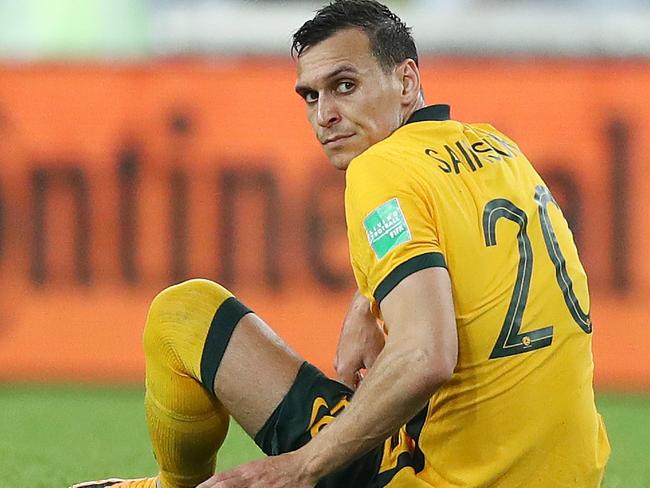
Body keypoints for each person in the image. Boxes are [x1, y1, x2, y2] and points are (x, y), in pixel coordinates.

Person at [74, 1, 610, 487]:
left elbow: (427, 356)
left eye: (345, 85)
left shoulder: (380, 169)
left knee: (182, 316)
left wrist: (298, 468)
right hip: (571, 474)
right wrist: (367, 297)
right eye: (311, 95)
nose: (324, 114)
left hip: (455, 478)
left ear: (405, 81)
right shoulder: (498, 147)